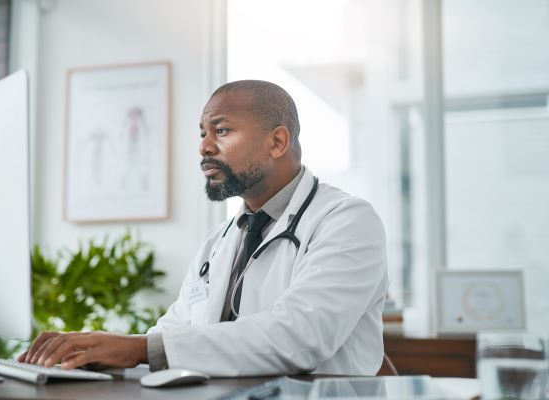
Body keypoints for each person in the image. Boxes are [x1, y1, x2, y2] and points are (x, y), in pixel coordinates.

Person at [19, 80, 388, 377]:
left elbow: (300, 337)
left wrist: (135, 349)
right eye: (202, 133)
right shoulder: (220, 239)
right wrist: (102, 353)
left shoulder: (346, 221)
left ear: (277, 142)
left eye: (221, 130)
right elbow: (176, 330)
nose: (204, 147)